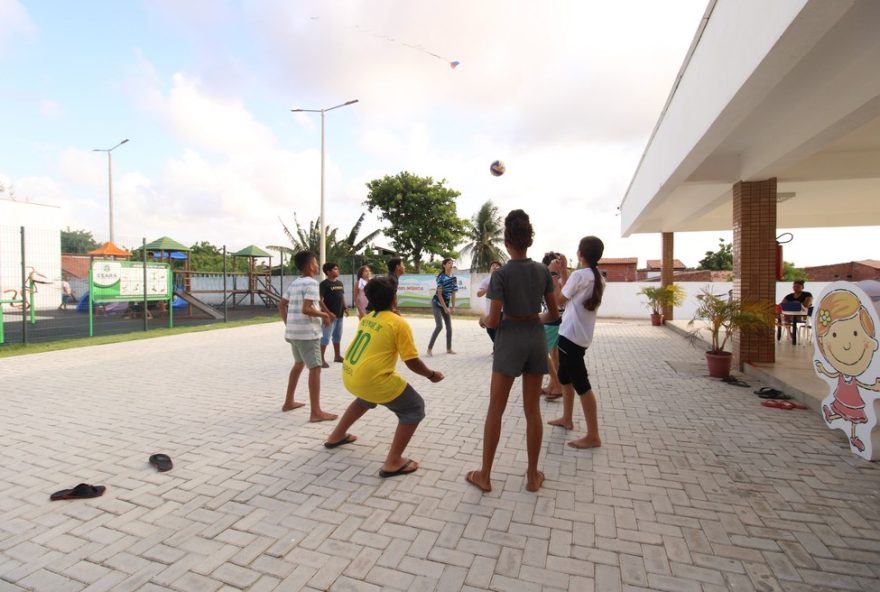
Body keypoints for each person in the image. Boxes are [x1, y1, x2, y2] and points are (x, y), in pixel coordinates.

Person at [466, 210, 559, 494]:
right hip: (534, 340)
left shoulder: (501, 275)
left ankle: (485, 476)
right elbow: (553, 315)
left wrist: (483, 320)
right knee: (532, 410)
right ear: (528, 241)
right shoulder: (543, 271)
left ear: (506, 242)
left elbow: (493, 321)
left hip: (509, 342)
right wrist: (531, 318)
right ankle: (532, 475)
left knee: (496, 408)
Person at [324, 276, 444, 477]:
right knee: (414, 408)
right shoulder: (398, 323)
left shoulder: (368, 318)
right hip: (372, 379)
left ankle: (336, 436)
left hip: (351, 375)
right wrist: (431, 375)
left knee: (366, 398)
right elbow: (412, 361)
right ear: (394, 299)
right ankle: (393, 462)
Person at [547, 236, 605, 450]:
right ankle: (566, 418)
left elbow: (558, 299)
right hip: (578, 336)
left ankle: (593, 435)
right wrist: (563, 272)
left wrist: (553, 274)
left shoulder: (580, 275)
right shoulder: (596, 276)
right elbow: (573, 291)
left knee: (582, 384)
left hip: (570, 336)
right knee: (564, 376)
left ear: (580, 254)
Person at [278, 250, 337, 421]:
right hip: (307, 334)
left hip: (293, 334)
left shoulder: (295, 283)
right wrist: (325, 315)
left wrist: (289, 324)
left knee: (298, 364)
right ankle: (316, 412)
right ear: (311, 266)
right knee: (315, 369)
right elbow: (307, 309)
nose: (318, 265)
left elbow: (281, 305)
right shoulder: (312, 283)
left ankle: (288, 402)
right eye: (316, 262)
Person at [541, 252, 565, 400]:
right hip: (557, 320)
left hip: (552, 320)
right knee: (554, 355)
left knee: (541, 351)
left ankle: (557, 385)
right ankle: (552, 385)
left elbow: (558, 301)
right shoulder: (557, 277)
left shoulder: (553, 278)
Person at [319, 262, 348, 367]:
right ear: (328, 272)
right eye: (335, 269)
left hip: (339, 315)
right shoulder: (324, 284)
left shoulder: (340, 283)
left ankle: (337, 356)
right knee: (325, 337)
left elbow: (342, 296)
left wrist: (345, 307)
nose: (338, 270)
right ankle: (320, 359)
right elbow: (320, 301)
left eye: (337, 269)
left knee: (337, 336)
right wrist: (328, 313)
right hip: (329, 317)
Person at [427, 258, 458, 356]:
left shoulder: (453, 278)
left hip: (446, 304)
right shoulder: (441, 277)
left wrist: (453, 307)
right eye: (449, 263)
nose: (451, 265)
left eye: (452, 263)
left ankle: (449, 349)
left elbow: (453, 293)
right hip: (437, 303)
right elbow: (439, 295)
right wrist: (445, 308)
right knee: (439, 326)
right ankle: (429, 349)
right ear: (444, 265)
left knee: (449, 327)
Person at [477, 261, 503, 343]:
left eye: (497, 266)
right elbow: (478, 294)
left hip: (502, 310)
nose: (495, 267)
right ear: (490, 269)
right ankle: (497, 346)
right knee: (490, 330)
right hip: (489, 311)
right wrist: (488, 288)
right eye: (493, 266)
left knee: (500, 330)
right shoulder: (486, 281)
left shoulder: (504, 280)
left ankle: (497, 348)